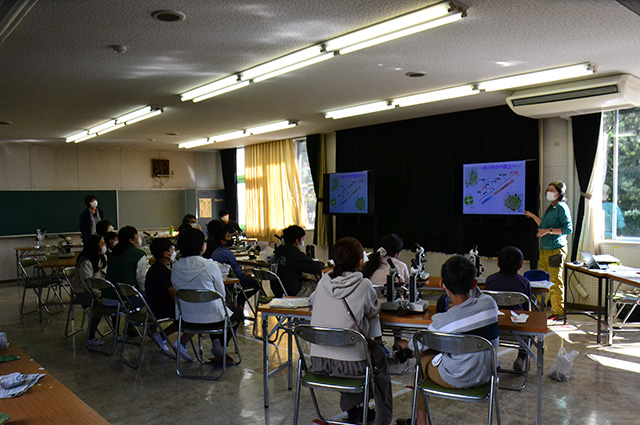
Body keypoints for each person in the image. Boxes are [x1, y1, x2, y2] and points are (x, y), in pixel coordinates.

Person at [395, 255, 499, 425]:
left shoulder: (443, 322)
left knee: (420, 360)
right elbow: (477, 295)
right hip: (488, 374)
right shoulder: (490, 304)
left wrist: (406, 345)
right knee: (436, 347)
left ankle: (421, 421)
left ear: (442, 284)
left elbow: (419, 343)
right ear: (474, 284)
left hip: (458, 377)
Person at [309, 237, 392, 425]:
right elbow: (373, 310)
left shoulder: (323, 282)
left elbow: (312, 301)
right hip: (351, 368)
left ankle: (354, 410)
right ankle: (381, 419)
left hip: (319, 363)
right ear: (360, 261)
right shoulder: (363, 284)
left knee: (344, 347)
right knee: (379, 362)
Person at [171, 227, 242, 365]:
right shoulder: (210, 265)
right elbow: (221, 294)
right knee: (235, 312)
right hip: (213, 317)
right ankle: (219, 344)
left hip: (187, 318)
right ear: (201, 246)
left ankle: (216, 342)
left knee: (209, 311)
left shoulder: (176, 267)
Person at [524, 181, 573, 318]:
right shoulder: (550, 208)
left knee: (555, 282)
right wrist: (533, 216)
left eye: (552, 190)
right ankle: (539, 310)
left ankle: (558, 312)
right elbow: (543, 226)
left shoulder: (562, 208)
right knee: (541, 281)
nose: (548, 192)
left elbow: (567, 229)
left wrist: (549, 231)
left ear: (559, 193)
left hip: (555, 250)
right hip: (544, 249)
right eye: (548, 189)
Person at [485, 246, 532, 371]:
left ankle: (494, 360)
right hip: (517, 329)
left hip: (494, 327)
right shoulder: (524, 282)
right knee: (531, 334)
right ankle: (521, 357)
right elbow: (527, 310)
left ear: (498, 263)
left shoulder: (490, 280)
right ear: (520, 266)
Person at [145, 238, 192, 358]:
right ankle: (180, 343)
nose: (174, 251)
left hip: (154, 306)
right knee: (194, 312)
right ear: (166, 254)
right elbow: (174, 296)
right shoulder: (163, 272)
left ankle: (161, 336)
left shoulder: (155, 268)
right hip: (161, 308)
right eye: (172, 249)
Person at [203, 220, 260, 311]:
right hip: (233, 281)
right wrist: (246, 274)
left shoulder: (215, 252)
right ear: (223, 241)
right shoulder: (227, 253)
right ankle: (240, 301)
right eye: (229, 236)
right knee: (256, 284)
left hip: (223, 281)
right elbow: (238, 273)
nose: (231, 238)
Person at [71, 234, 108, 347]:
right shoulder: (86, 262)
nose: (104, 246)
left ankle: (117, 334)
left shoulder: (103, 257)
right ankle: (90, 337)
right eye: (101, 244)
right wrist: (98, 296)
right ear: (94, 246)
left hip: (98, 290)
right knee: (100, 306)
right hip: (83, 292)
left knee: (113, 300)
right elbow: (87, 284)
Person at [271, 225, 324, 297]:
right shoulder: (293, 253)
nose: (303, 242)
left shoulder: (278, 251)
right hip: (293, 291)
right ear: (296, 241)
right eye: (302, 239)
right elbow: (314, 267)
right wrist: (322, 264)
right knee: (321, 286)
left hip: (278, 291)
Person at [105, 226, 147, 296]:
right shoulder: (139, 254)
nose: (138, 238)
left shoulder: (113, 253)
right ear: (130, 240)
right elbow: (141, 281)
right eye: (137, 235)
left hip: (108, 296)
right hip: (126, 298)